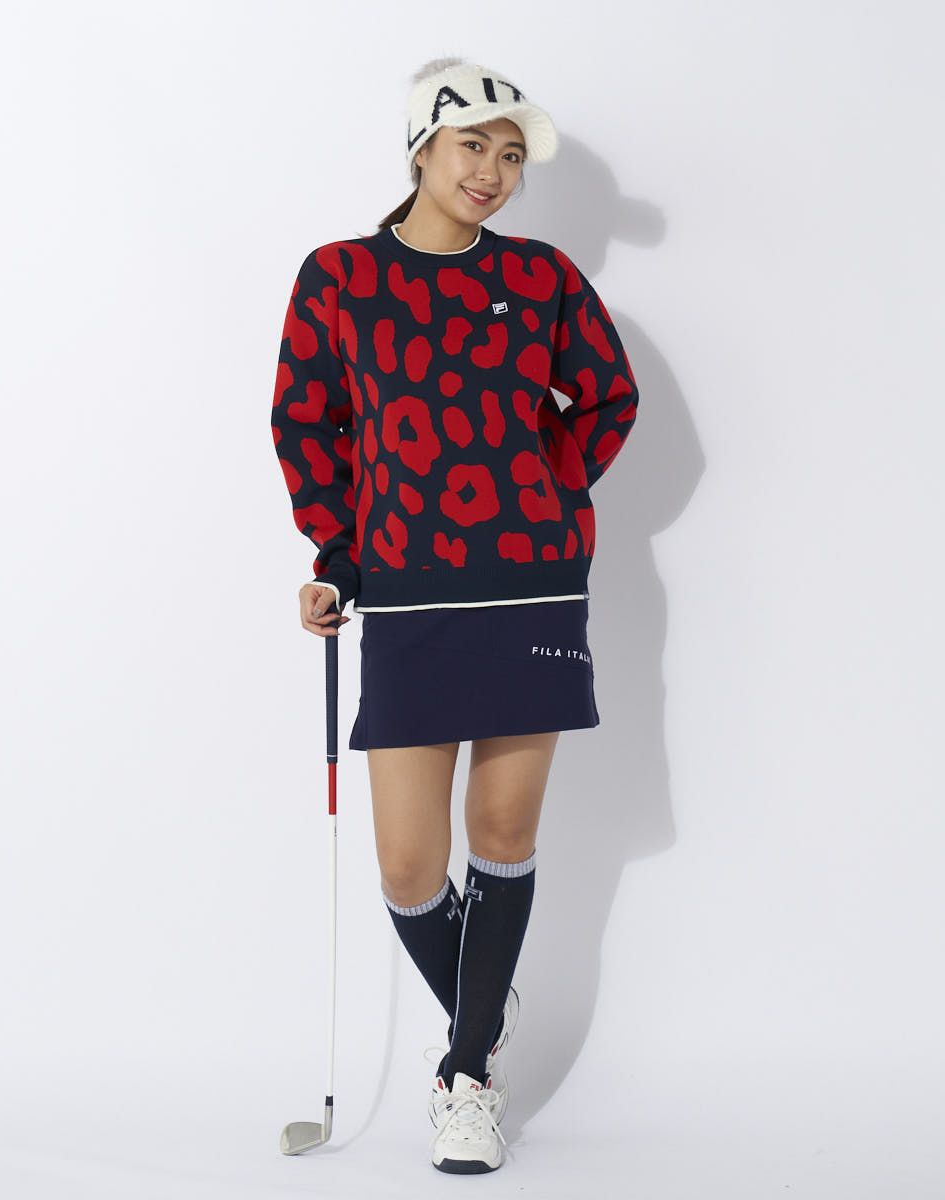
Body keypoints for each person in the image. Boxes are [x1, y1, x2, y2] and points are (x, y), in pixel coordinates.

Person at [270, 56, 639, 1174]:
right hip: (410, 592)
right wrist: (337, 557)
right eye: (474, 145)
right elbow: (307, 423)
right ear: (422, 148)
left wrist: (546, 491)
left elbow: (607, 396)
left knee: (503, 837)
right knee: (406, 866)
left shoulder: (540, 277)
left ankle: (465, 1073)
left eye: (512, 155)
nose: (494, 171)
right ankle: (486, 1003)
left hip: (529, 585)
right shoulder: (339, 277)